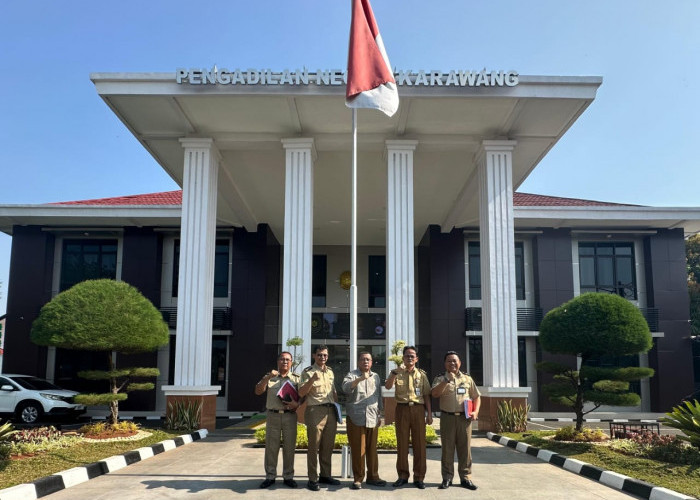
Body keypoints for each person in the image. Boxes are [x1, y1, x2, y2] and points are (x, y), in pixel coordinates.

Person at [431, 351, 481, 490]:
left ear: (460, 363)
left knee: (465, 449)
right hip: (447, 418)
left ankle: (466, 478)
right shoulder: (440, 378)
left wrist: (475, 411)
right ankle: (447, 478)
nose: (452, 363)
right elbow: (434, 394)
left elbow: (476, 396)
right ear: (444, 363)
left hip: (464, 419)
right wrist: (446, 381)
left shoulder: (467, 378)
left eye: (455, 361)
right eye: (449, 361)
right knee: (447, 449)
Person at [384, 345, 433, 489]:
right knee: (402, 444)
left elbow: (426, 395)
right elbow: (387, 387)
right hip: (402, 410)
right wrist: (393, 373)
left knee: (419, 445)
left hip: (418, 409)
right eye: (407, 356)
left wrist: (429, 414)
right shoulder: (396, 373)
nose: (409, 358)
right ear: (403, 358)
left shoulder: (422, 375)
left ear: (416, 359)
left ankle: (419, 477)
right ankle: (402, 476)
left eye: (412, 356)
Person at [254, 351, 301, 488]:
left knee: (289, 447)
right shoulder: (270, 377)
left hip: (290, 416)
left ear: (291, 363)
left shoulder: (296, 379)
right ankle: (270, 476)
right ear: (277, 361)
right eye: (282, 359)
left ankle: (288, 476)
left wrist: (296, 405)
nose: (285, 362)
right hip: (273, 415)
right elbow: (258, 391)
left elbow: (302, 397)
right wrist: (268, 377)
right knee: (271, 447)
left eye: (287, 360)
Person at [342, 351, 387, 490]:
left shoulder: (376, 376)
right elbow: (345, 389)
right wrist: (360, 379)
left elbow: (378, 395)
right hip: (356, 417)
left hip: (372, 417)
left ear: (372, 362)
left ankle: (373, 476)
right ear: (358, 362)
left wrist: (381, 414)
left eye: (368, 359)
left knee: (372, 450)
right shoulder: (352, 375)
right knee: (358, 449)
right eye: (363, 359)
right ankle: (358, 478)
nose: (365, 362)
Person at [299, 345, 340, 491]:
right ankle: (312, 479)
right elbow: (302, 392)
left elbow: (333, 391)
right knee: (313, 447)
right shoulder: (308, 372)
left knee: (328, 446)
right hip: (314, 411)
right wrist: (311, 380)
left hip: (330, 411)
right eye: (320, 355)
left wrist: (337, 406)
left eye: (325, 355)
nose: (323, 357)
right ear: (314, 355)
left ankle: (325, 475)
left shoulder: (330, 371)